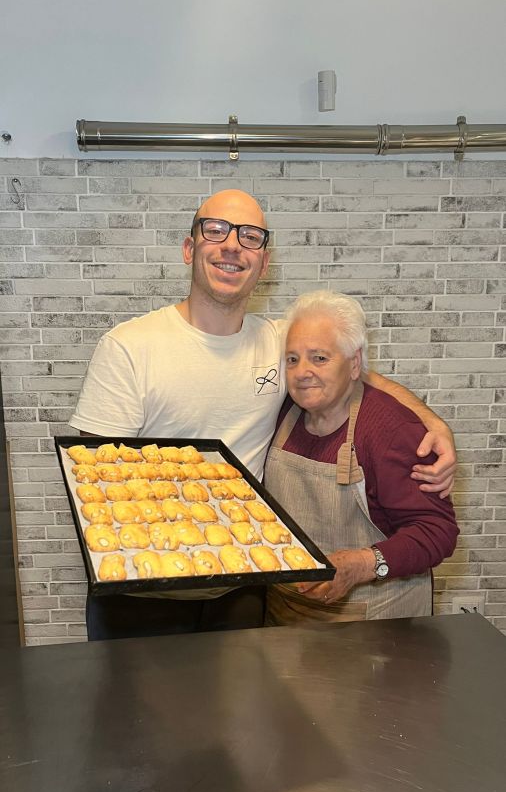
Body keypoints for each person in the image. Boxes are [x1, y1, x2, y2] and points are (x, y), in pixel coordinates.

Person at [69, 189, 456, 639]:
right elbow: (95, 484)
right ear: (189, 248)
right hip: (142, 591)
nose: (232, 245)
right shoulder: (130, 348)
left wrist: (435, 425)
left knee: (240, 709)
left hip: (243, 587)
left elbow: (358, 373)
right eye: (216, 230)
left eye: (250, 237)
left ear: (264, 263)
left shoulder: (281, 346)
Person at [264, 291, 459, 626]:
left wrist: (361, 564)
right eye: (293, 359)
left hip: (374, 625)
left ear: (354, 364)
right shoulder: (282, 413)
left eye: (320, 358)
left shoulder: (390, 431)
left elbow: (437, 530)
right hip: (289, 616)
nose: (302, 372)